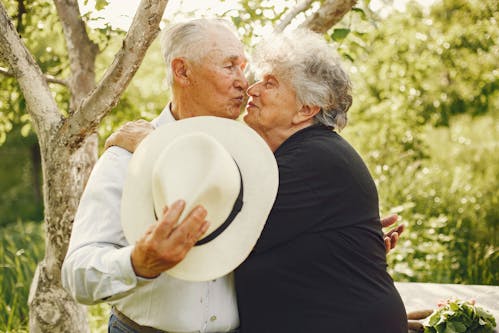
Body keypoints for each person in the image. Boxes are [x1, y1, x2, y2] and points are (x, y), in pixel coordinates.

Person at [62, 19, 403, 333]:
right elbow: (77, 275)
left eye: (246, 68)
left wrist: (345, 244)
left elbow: (270, 234)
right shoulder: (125, 158)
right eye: (229, 66)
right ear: (182, 71)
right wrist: (137, 263)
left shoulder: (253, 161)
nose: (246, 83)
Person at [234, 30, 408, 332]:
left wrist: (154, 147)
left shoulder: (313, 161)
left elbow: (222, 234)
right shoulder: (304, 155)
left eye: (270, 83)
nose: (252, 89)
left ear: (306, 109)